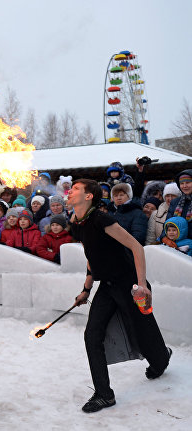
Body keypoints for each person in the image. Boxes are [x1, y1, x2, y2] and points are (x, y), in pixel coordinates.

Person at [69, 179, 171, 413]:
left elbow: (136, 247)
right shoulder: (76, 223)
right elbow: (91, 256)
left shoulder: (101, 219)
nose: (70, 191)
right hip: (107, 285)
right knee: (92, 335)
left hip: (129, 284)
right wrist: (86, 289)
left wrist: (141, 284)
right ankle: (104, 394)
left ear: (88, 196)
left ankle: (161, 359)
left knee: (143, 332)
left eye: (75, 189)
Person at [165, 169, 192, 240]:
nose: (184, 186)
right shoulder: (175, 202)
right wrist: (164, 237)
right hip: (176, 242)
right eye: (182, 183)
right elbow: (168, 223)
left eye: (188, 182)